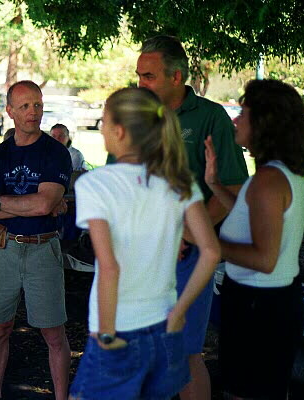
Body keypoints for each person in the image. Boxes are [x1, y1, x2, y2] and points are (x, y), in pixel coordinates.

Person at [68, 87, 220, 400]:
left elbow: (109, 268)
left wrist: (107, 335)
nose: (101, 130)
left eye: (104, 122)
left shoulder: (95, 184)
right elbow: (211, 251)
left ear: (120, 131)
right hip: (166, 326)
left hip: (119, 327)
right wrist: (179, 311)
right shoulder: (179, 182)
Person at [135, 35, 248, 400]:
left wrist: (187, 236)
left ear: (176, 76)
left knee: (184, 352)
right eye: (138, 75)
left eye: (148, 76)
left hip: (188, 256)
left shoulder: (210, 118)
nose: (140, 84)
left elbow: (231, 189)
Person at [205, 80, 304, 399]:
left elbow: (265, 259)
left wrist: (208, 244)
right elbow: (249, 216)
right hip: (269, 304)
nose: (236, 120)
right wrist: (214, 185)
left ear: (265, 123)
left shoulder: (268, 181)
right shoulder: (277, 174)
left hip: (259, 308)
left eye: (244, 113)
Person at [0, 80, 72, 400]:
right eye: (25, 106)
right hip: (3, 245)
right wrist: (31, 204)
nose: (34, 112)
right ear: (10, 112)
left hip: (43, 247)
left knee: (53, 333)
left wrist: (1, 203)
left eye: (38, 104)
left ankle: (61, 396)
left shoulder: (55, 153)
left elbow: (44, 205)